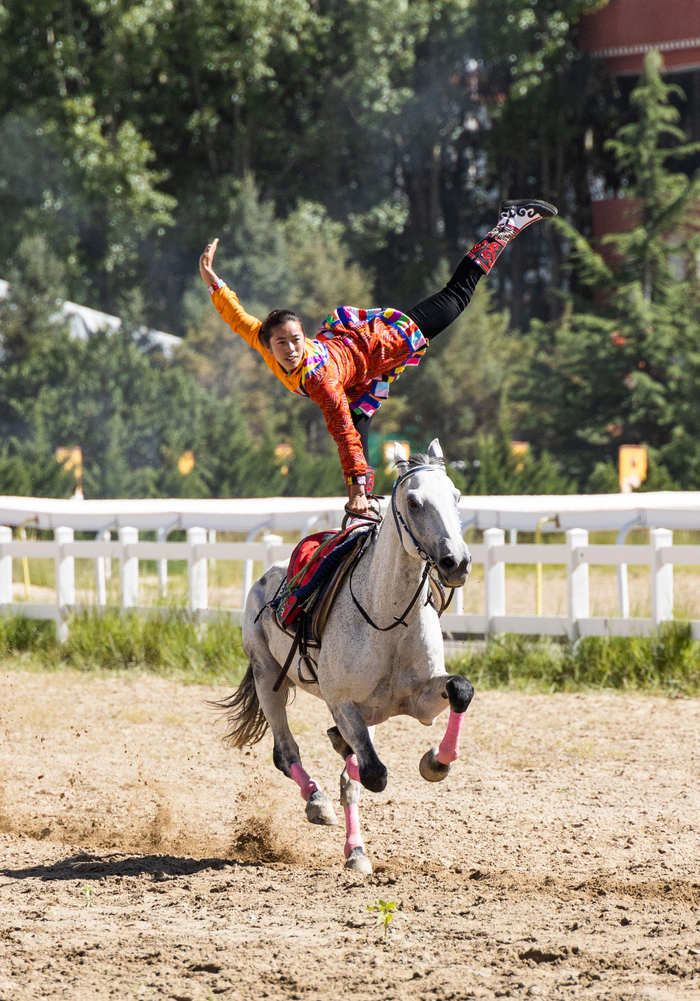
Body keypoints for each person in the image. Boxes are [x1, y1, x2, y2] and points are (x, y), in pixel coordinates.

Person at [199, 199, 557, 515]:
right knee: (359, 419)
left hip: (380, 344)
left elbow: (342, 433)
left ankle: (509, 223)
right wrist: (213, 281)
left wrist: (354, 488)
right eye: (282, 343)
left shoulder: (319, 379)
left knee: (456, 297)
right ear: (269, 343)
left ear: (303, 336)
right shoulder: (263, 341)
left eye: (296, 340)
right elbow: (238, 317)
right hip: (354, 378)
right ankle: (366, 505)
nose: (290, 349)